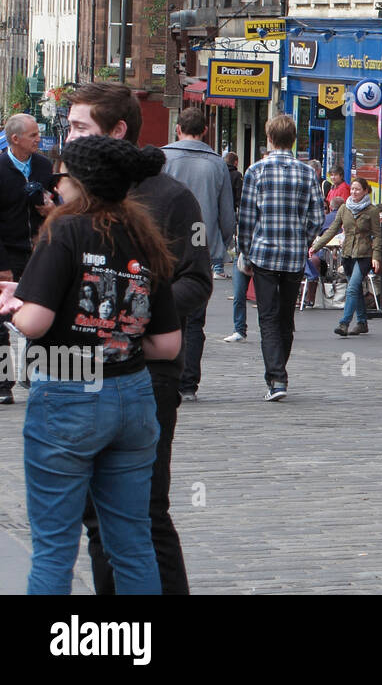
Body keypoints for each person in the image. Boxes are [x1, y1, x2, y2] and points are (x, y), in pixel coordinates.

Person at [2, 136, 180, 594]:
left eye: (61, 177)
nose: (55, 186)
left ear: (80, 184)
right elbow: (167, 345)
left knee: (55, 548)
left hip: (68, 386)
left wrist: (11, 307)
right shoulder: (146, 238)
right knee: (133, 543)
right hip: (133, 393)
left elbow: (37, 322)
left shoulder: (64, 230)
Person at [65, 81, 210, 596]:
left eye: (80, 127)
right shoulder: (77, 196)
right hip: (83, 375)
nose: (69, 136)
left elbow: (197, 278)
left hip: (148, 373)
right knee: (96, 517)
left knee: (145, 509)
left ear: (117, 130)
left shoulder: (171, 198)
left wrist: (141, 314)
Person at [237, 114, 324, 402]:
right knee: (286, 316)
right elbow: (317, 218)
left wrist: (245, 252)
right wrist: (302, 239)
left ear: (269, 139)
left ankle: (276, 377)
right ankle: (279, 372)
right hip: (293, 255)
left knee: (268, 317)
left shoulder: (255, 171)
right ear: (294, 139)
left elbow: (248, 218)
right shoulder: (307, 173)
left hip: (264, 253)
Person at [162, 106, 235, 402]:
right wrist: (220, 244)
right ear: (205, 130)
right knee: (194, 319)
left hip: (165, 246)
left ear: (178, 128)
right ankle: (188, 382)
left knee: (164, 311)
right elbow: (226, 213)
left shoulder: (163, 158)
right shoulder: (216, 164)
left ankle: (167, 374)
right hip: (200, 246)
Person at [0, 112, 54, 405]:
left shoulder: (44, 166)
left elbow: (54, 202)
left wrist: (50, 208)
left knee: (40, 317)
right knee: (0, 323)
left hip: (38, 253)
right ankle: (2, 383)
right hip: (7, 253)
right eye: (33, 135)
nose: (39, 139)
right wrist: (3, 265)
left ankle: (35, 375)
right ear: (15, 139)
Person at [310, 179, 382, 337]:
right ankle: (362, 322)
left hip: (364, 255)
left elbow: (377, 236)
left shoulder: (372, 211)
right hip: (348, 254)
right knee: (355, 288)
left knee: (352, 287)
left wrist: (376, 256)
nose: (354, 192)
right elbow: (332, 230)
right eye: (352, 190)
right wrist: (316, 246)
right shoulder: (344, 208)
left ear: (365, 191)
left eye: (358, 190)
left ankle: (344, 323)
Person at [224, 152, 251, 343]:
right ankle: (239, 328)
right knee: (239, 294)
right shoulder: (243, 208)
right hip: (242, 252)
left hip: (257, 253)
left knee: (268, 298)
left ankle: (274, 330)